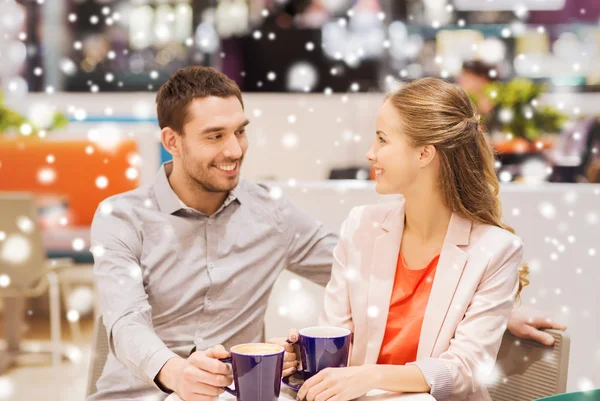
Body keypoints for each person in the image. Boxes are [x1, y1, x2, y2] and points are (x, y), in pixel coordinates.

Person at [89, 67, 564, 401]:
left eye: (241, 131)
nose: (235, 150)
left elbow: (365, 267)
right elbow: (125, 322)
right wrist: (174, 373)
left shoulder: (270, 213)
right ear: (172, 142)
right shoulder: (120, 217)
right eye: (215, 136)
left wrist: (495, 308)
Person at [286, 78, 565, 401]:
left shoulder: (495, 250)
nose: (370, 153)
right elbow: (335, 338)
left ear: (424, 153)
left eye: (382, 140)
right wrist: (301, 356)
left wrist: (372, 375)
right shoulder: (361, 227)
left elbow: (466, 368)